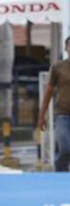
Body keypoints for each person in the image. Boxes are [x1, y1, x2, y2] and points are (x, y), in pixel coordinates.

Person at [38, 35, 70, 172]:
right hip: (62, 114)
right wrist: (41, 115)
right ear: (66, 48)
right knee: (65, 147)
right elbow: (48, 92)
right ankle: (61, 175)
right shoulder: (58, 67)